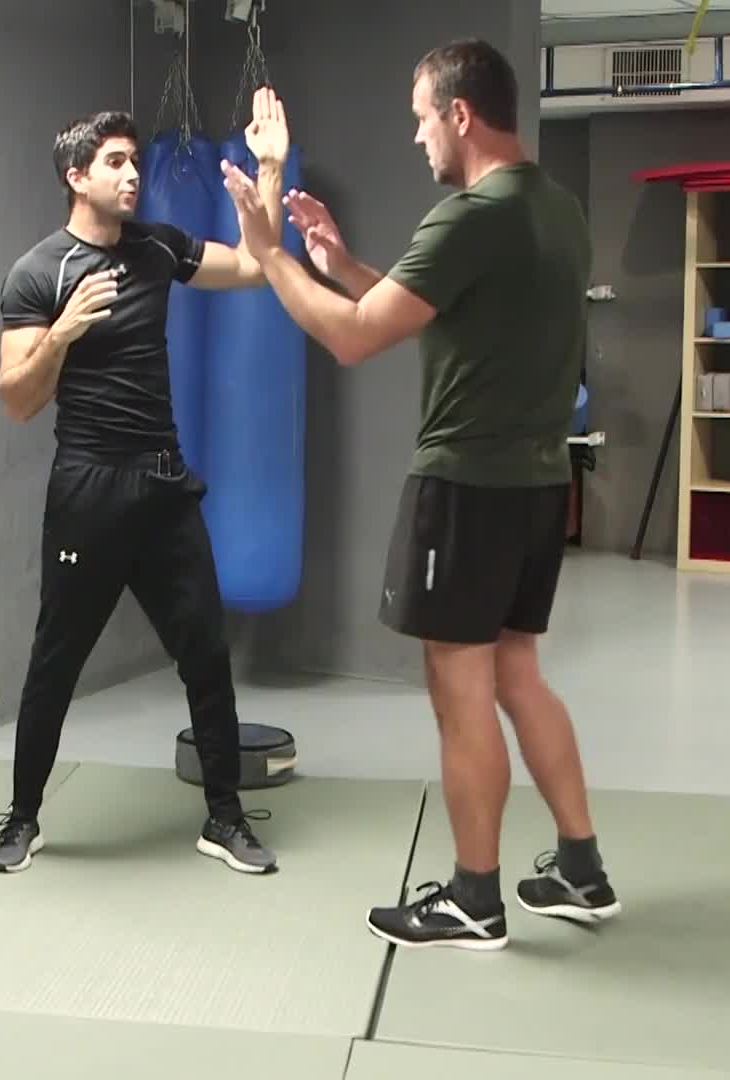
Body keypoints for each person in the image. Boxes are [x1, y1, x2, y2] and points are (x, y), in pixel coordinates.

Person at [219, 39, 620, 949]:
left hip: (465, 485)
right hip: (533, 482)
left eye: (420, 116)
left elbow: (358, 341)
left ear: (460, 114)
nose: (415, 135)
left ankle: (475, 897)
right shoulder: (554, 210)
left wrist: (271, 254)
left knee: (461, 688)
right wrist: (341, 262)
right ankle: (580, 868)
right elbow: (436, 317)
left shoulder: (468, 215)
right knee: (519, 672)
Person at [0, 91, 292, 876]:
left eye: (135, 163)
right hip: (88, 490)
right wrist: (64, 329)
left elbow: (256, 266)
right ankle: (23, 818)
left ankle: (224, 817)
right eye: (116, 164)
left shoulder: (156, 247)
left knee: (206, 654)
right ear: (75, 175)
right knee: (56, 660)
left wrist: (269, 165)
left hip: (161, 486)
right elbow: (17, 400)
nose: (132, 177)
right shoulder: (36, 271)